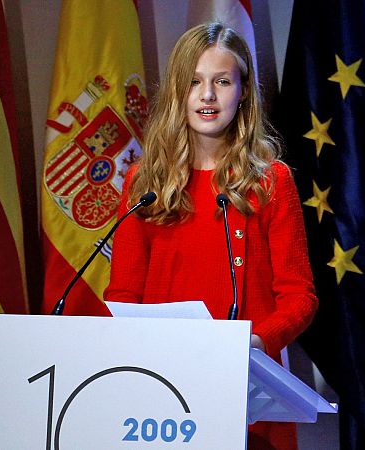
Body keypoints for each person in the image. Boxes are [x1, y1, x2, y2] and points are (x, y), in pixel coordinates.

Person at [104, 22, 318, 450]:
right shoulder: (144, 183)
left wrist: (256, 342)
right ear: (177, 94)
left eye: (222, 81)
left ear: (242, 94)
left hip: (247, 391)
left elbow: (300, 297)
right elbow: (123, 293)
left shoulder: (270, 182)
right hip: (162, 389)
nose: (207, 95)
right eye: (194, 82)